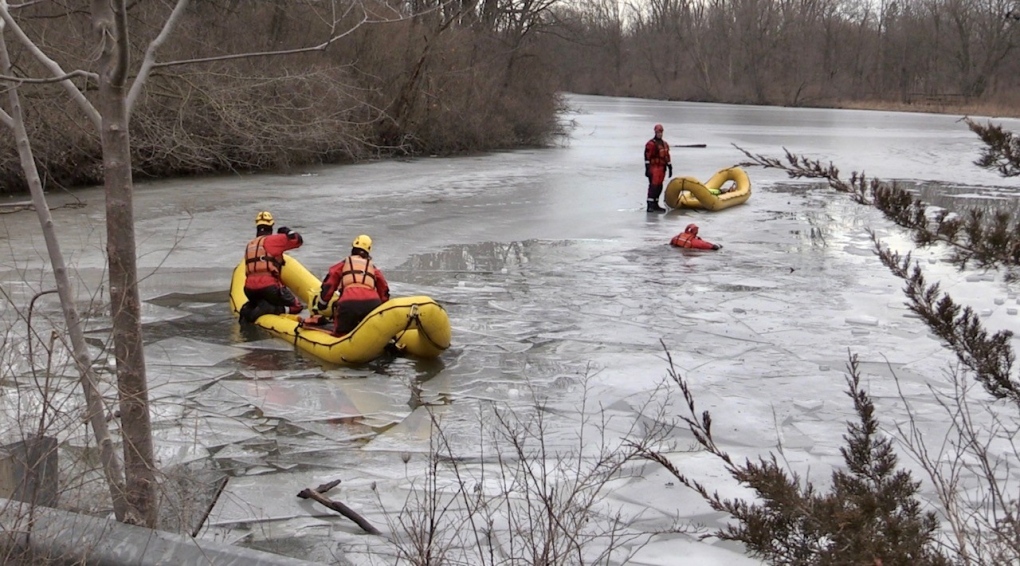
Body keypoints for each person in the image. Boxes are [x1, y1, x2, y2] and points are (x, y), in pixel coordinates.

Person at [313, 234, 391, 336]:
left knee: (341, 335)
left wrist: (322, 304)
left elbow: (329, 284)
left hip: (348, 303)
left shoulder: (344, 264)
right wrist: (382, 308)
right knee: (372, 333)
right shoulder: (372, 267)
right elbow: (384, 289)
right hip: (372, 304)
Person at [239, 211, 305, 323]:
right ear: (271, 226)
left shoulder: (250, 244)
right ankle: (271, 310)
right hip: (269, 288)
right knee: (296, 305)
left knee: (261, 300)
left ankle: (250, 310)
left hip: (249, 290)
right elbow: (297, 240)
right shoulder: (272, 241)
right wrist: (286, 231)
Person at [644, 123, 673, 212]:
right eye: (658, 132)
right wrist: (647, 168)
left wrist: (670, 166)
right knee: (653, 187)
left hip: (662, 168)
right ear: (655, 132)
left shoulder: (665, 144)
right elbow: (647, 156)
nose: (659, 133)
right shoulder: (651, 144)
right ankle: (650, 205)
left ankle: (656, 204)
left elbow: (667, 156)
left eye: (661, 132)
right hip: (654, 168)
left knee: (659, 187)